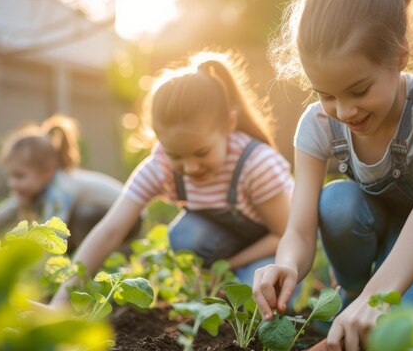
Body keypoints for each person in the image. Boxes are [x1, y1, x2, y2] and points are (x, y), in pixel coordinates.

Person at [252, 0, 413, 351]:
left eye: (359, 90)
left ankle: (371, 304)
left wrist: (381, 295)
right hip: (369, 222)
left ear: (400, 56)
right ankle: (352, 299)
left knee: (399, 345)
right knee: (337, 200)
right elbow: (300, 230)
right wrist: (285, 264)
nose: (345, 110)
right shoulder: (317, 126)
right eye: (326, 94)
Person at [50, 51, 293, 306]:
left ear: (229, 125)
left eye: (201, 152)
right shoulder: (159, 167)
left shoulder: (256, 165)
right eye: (175, 155)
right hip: (229, 246)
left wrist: (226, 267)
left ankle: (235, 285)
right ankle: (218, 289)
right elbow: (110, 230)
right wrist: (59, 301)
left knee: (255, 299)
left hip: (278, 249)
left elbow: (285, 236)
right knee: (185, 236)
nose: (189, 167)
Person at [0, 115, 125, 253]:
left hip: (125, 222)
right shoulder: (36, 188)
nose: (12, 183)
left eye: (20, 176)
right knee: (74, 224)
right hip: (110, 222)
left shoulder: (61, 189)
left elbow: (53, 237)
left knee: (82, 216)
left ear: (47, 171)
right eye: (10, 176)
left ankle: (94, 263)